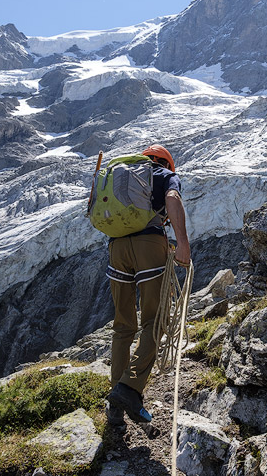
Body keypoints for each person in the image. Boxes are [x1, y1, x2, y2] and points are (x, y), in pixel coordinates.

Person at [106, 144, 191, 425]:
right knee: (156, 321)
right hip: (149, 244)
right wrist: (182, 244)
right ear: (167, 163)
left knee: (123, 325)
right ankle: (129, 389)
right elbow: (172, 198)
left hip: (117, 248)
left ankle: (115, 407)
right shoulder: (164, 174)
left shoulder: (124, 175)